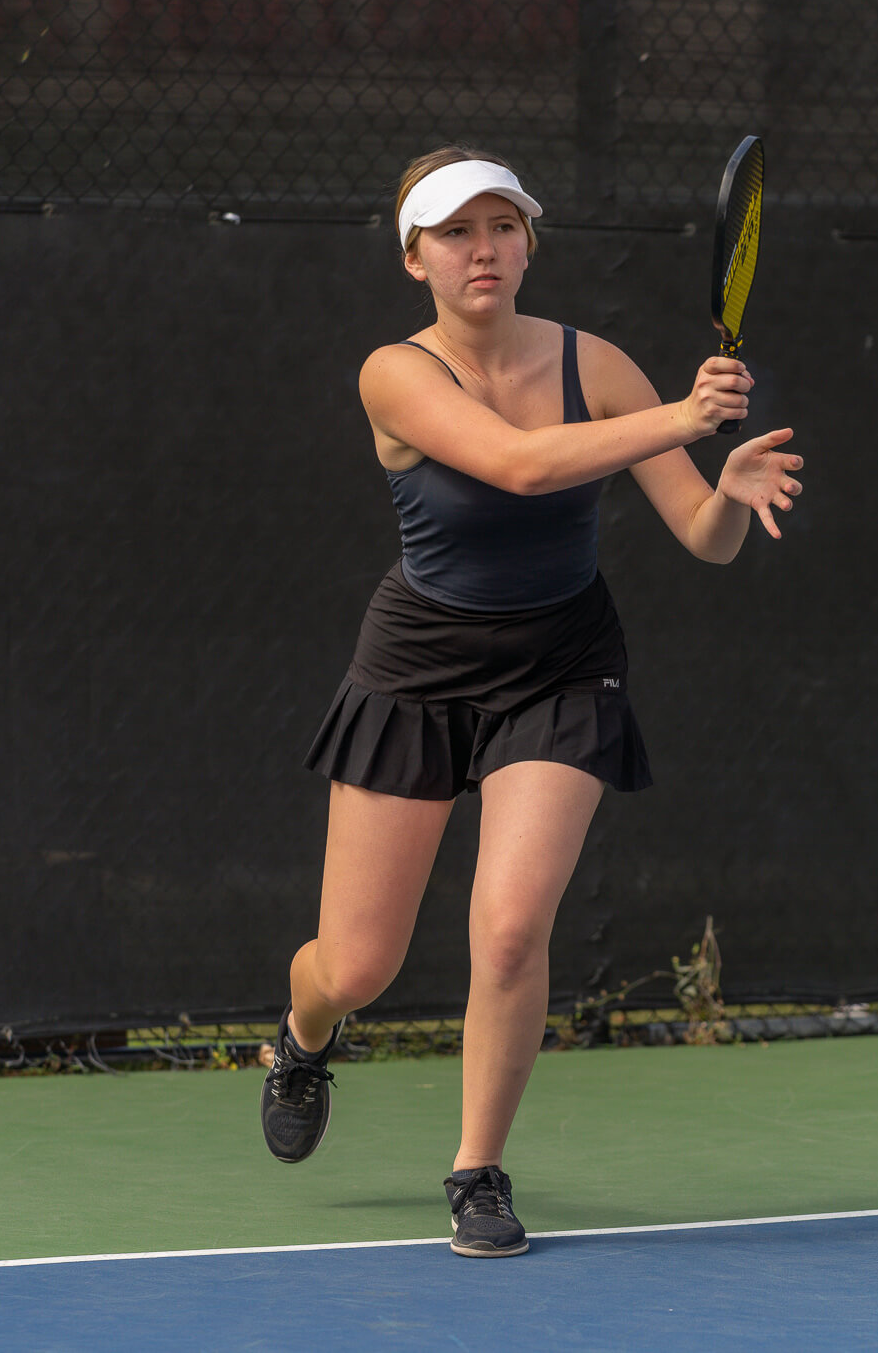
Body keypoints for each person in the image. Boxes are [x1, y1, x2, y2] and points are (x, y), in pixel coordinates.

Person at [261, 145, 803, 1258]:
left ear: (527, 245)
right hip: (416, 668)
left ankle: (477, 1171)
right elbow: (517, 465)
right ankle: (303, 1034)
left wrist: (729, 489)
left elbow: (702, 537)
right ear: (413, 258)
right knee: (356, 966)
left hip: (562, 662)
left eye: (502, 227)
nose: (483, 249)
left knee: (510, 928)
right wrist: (680, 418)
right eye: (455, 232)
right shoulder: (392, 373)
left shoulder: (593, 362)